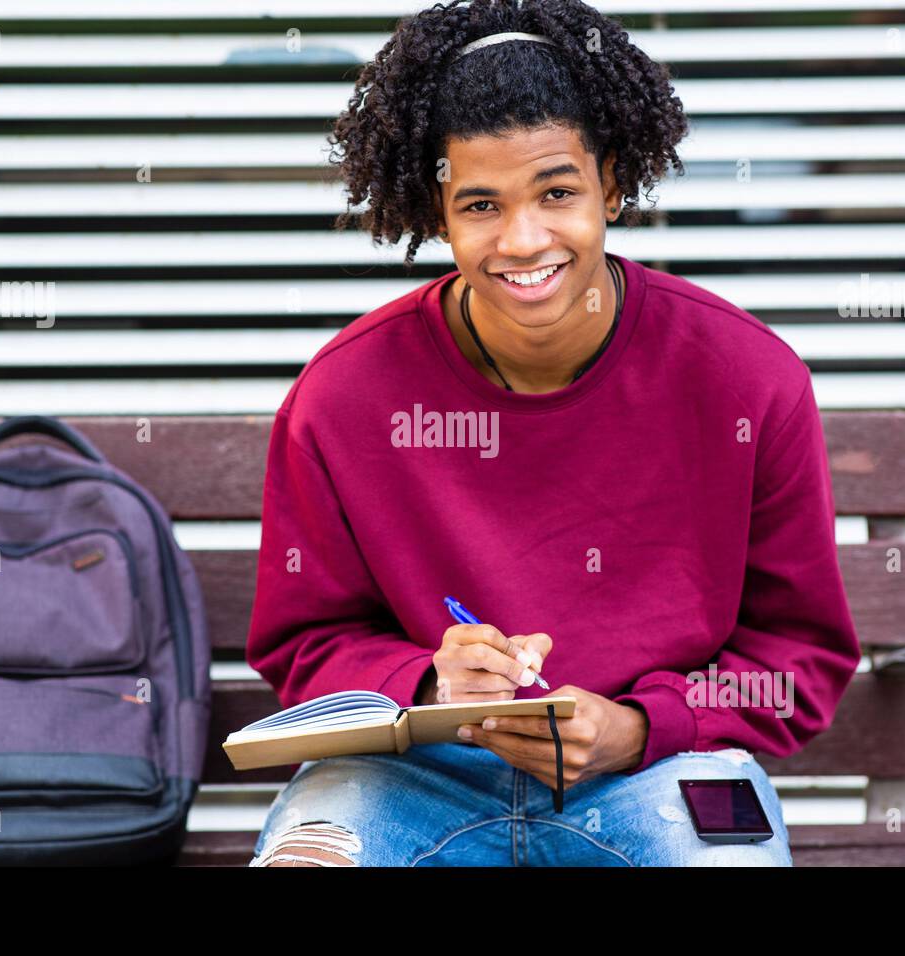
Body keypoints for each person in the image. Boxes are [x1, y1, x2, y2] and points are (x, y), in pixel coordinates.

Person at [243, 0, 862, 866]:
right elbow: (305, 644)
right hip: (408, 772)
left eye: (558, 192)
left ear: (611, 182)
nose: (523, 239)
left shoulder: (744, 377)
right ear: (436, 209)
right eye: (482, 204)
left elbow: (797, 654)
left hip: (669, 765)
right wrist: (430, 681)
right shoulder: (344, 396)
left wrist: (644, 722)